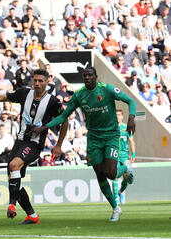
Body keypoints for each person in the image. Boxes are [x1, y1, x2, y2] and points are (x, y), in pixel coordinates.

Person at [31, 67, 136, 222]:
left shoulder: (106, 89)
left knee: (110, 172)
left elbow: (131, 101)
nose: (87, 77)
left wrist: (132, 118)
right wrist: (44, 127)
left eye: (90, 75)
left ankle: (125, 169)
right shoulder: (80, 95)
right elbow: (64, 115)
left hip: (111, 136)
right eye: (85, 75)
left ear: (95, 76)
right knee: (99, 174)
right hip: (93, 138)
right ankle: (116, 208)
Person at [0, 69, 69, 225]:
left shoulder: (52, 102)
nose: (37, 83)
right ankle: (32, 215)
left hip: (35, 144)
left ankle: (11, 205)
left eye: (40, 81)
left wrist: (58, 145)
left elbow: (65, 121)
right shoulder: (24, 93)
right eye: (35, 80)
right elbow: (0, 97)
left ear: (46, 82)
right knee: (14, 179)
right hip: (19, 142)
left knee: (13, 165)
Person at [112, 109, 136, 206]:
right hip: (114, 156)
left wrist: (133, 154)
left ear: (122, 116)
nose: (117, 116)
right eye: (116, 115)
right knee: (115, 176)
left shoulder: (126, 127)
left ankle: (120, 192)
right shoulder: (111, 128)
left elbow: (131, 141)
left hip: (124, 156)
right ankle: (116, 199)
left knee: (127, 178)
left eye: (119, 115)